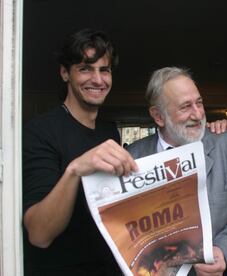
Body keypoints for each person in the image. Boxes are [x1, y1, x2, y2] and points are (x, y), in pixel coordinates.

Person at [127, 67, 227, 276]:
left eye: (199, 103)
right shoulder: (134, 157)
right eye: (186, 107)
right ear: (158, 116)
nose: (198, 114)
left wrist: (223, 252)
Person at [23, 29, 138, 275]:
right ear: (65, 73)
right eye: (86, 68)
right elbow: (39, 234)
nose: (97, 80)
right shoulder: (40, 131)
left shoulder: (110, 132)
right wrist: (74, 170)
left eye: (104, 70)